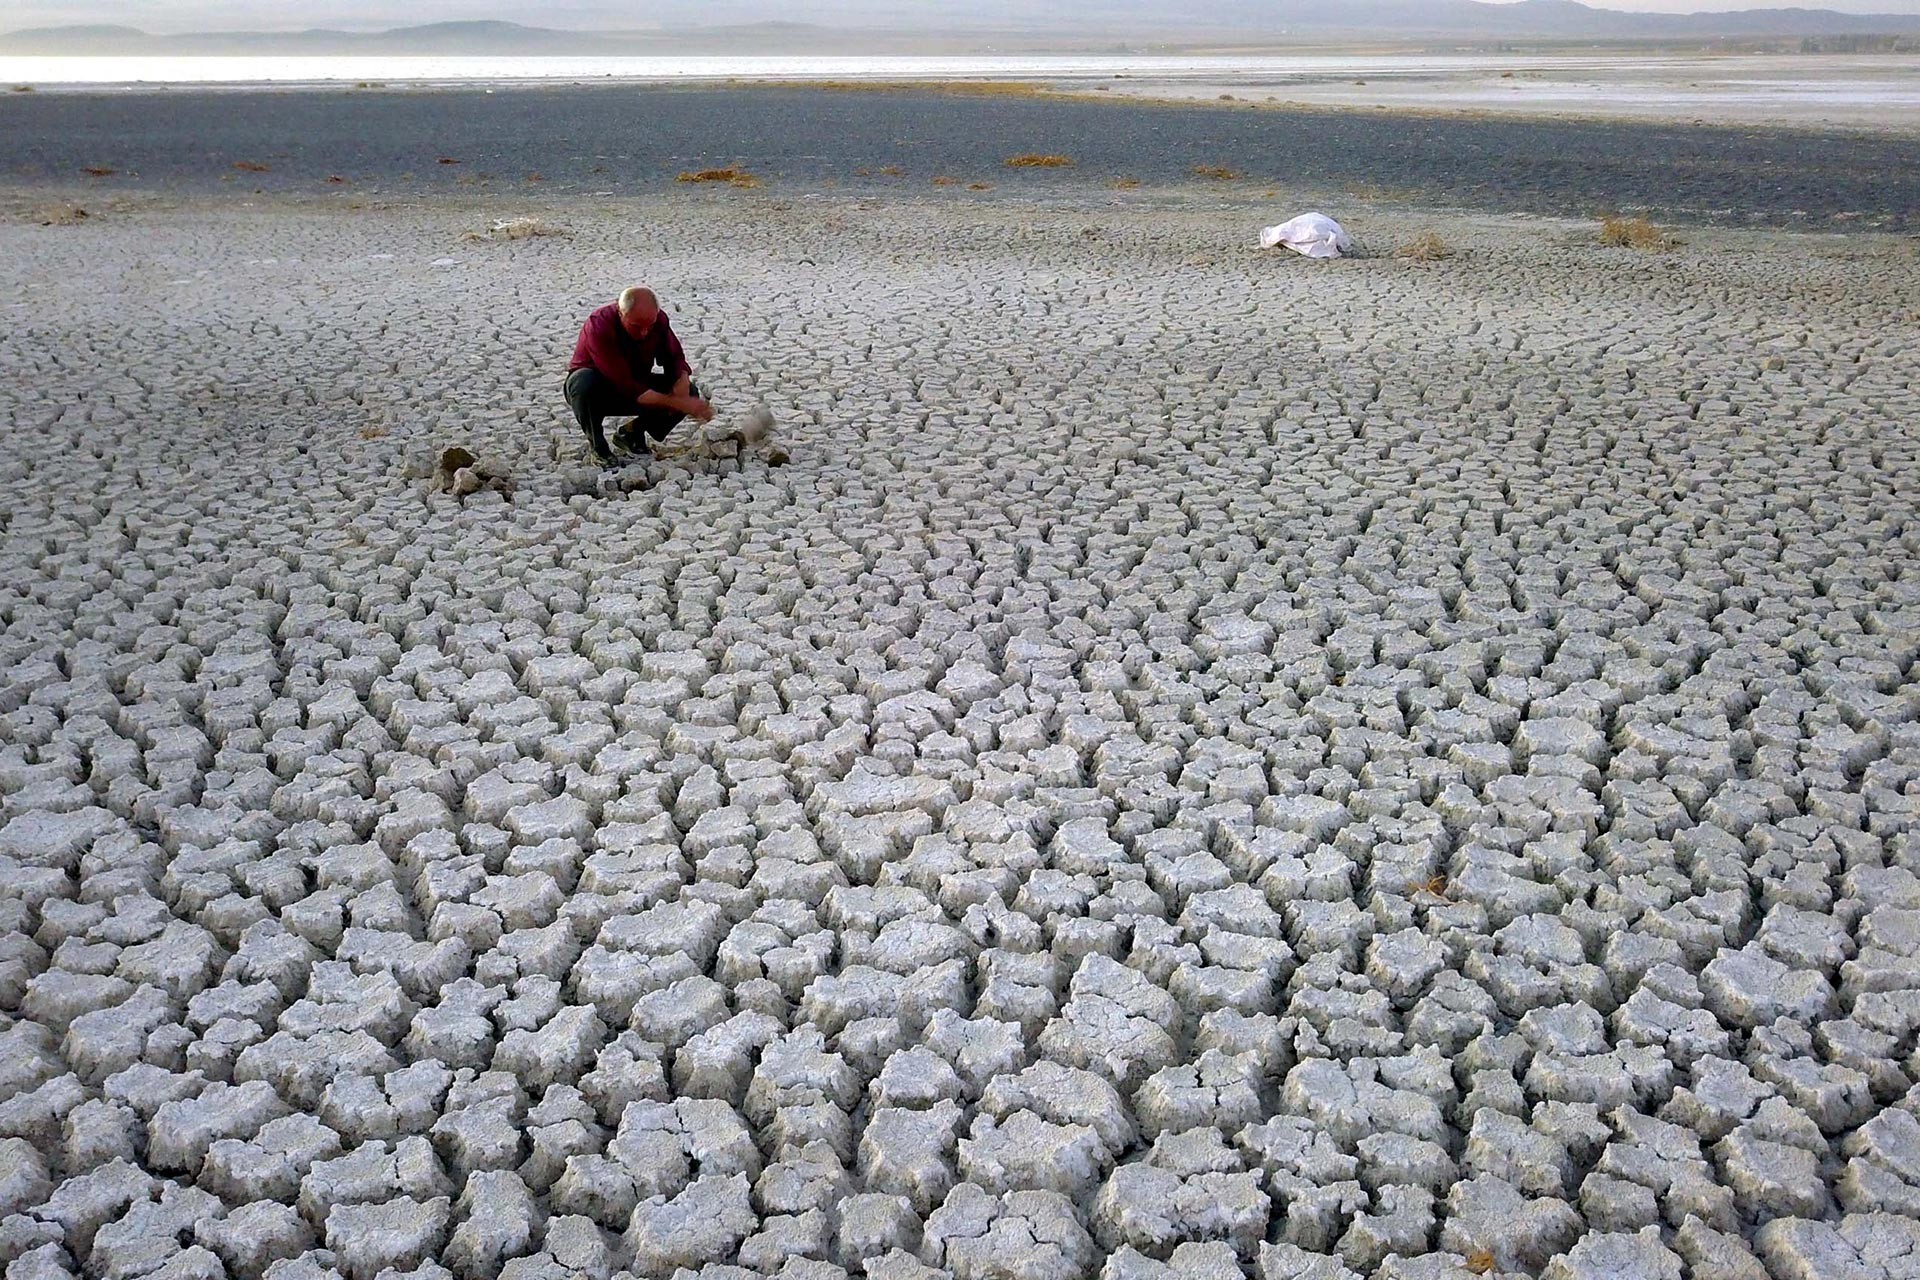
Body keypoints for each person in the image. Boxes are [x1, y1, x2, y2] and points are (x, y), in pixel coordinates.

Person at [565, 287, 715, 464]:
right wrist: (679, 402)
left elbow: (674, 358)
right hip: (601, 390)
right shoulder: (599, 325)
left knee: (690, 391)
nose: (644, 332)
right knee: (583, 383)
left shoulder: (658, 320)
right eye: (636, 327)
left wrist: (681, 383)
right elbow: (625, 383)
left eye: (649, 327)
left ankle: (631, 434)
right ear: (621, 313)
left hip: (639, 384)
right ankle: (599, 448)